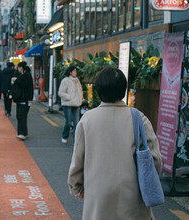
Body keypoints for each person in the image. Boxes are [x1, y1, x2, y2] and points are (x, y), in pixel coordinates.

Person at [68, 67, 162, 220]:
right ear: (123, 90)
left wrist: (76, 186)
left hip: (98, 197)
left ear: (99, 91)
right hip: (132, 197)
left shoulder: (87, 119)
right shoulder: (139, 118)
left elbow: (78, 160)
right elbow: (155, 160)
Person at [58, 65, 83, 144]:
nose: (75, 72)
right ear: (70, 72)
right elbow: (60, 93)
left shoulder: (77, 80)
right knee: (68, 122)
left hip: (76, 104)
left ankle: (76, 140)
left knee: (76, 123)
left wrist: (80, 99)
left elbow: (80, 91)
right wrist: (69, 97)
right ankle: (64, 136)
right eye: (74, 71)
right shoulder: (65, 80)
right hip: (67, 104)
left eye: (76, 71)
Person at [11, 62, 34, 140]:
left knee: (21, 116)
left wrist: (16, 80)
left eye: (19, 67)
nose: (18, 69)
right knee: (21, 116)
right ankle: (23, 132)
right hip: (21, 99)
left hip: (25, 99)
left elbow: (24, 84)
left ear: (22, 68)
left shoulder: (26, 75)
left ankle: (22, 133)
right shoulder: (22, 75)